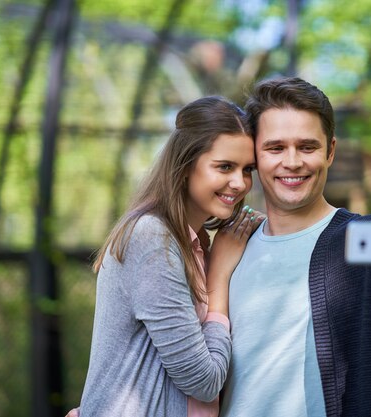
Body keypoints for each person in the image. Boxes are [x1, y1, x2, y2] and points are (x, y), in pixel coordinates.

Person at [218, 77, 371, 417]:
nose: (292, 162)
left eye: (307, 147)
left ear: (330, 151)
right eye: (275, 148)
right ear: (254, 156)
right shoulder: (231, 245)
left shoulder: (366, 235)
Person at [74, 95, 262, 417]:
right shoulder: (151, 238)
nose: (240, 183)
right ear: (186, 165)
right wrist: (218, 275)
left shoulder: (194, 242)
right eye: (224, 167)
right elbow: (203, 381)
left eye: (248, 170)